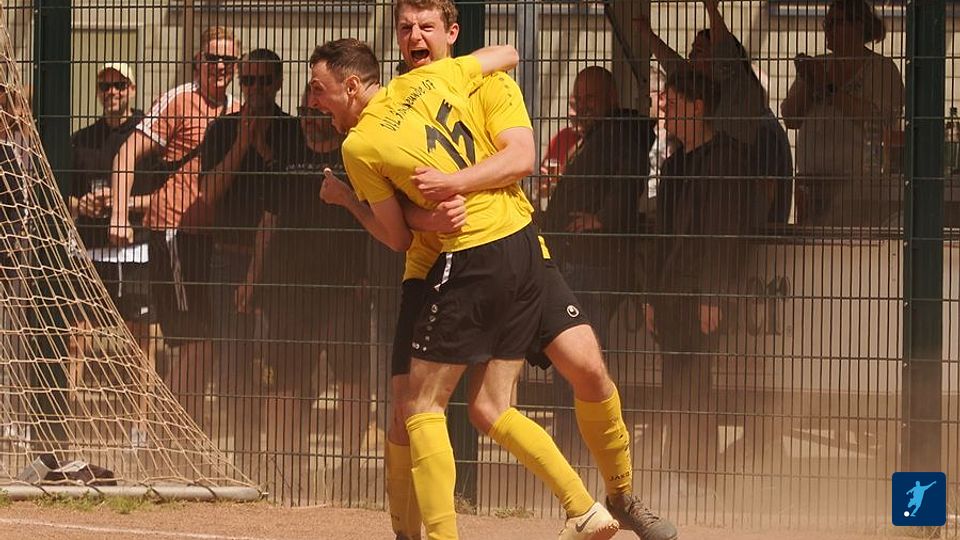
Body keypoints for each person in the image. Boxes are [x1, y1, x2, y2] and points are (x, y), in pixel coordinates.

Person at [325, 3, 676, 539]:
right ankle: (422, 529)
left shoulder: (484, 83)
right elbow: (403, 215)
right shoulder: (398, 99)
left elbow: (519, 159)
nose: (414, 36)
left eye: (426, 26)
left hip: (505, 247)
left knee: (586, 369)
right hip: (434, 265)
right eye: (405, 27)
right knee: (433, 409)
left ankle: (619, 498)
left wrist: (453, 185)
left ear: (452, 32)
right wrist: (423, 211)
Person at [106, 26, 239, 426]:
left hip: (215, 242)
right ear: (198, 62)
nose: (220, 66)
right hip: (174, 234)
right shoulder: (180, 100)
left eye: (228, 60)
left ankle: (185, 434)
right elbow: (127, 152)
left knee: (206, 344)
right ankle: (171, 436)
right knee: (195, 342)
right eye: (212, 58)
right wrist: (118, 215)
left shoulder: (237, 109)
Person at [645, 68, 766, 500]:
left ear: (698, 107)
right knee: (675, 382)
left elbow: (725, 235)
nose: (665, 111)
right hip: (672, 291)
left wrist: (713, 295)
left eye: (674, 103)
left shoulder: (728, 159)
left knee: (696, 383)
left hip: (702, 293)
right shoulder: (675, 164)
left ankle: (698, 476)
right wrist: (652, 297)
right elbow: (662, 236)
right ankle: (679, 471)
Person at [251, 85, 374, 503]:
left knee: (352, 380)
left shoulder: (354, 154)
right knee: (283, 381)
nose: (308, 119)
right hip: (288, 288)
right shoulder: (286, 155)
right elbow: (267, 221)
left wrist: (365, 275)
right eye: (304, 111)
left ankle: (349, 468)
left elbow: (373, 217)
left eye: (317, 112)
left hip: (345, 289)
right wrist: (252, 280)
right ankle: (283, 469)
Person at [197, 48, 291, 478]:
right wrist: (241, 144)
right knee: (233, 366)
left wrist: (264, 149)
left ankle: (280, 463)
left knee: (276, 367)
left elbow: (288, 195)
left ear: (277, 84)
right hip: (227, 260)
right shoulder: (221, 129)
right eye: (248, 81)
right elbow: (209, 193)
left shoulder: (291, 130)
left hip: (277, 266)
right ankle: (243, 459)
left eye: (263, 81)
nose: (255, 89)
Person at [636, 0, 793, 223]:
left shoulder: (743, 99)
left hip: (749, 225)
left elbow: (725, 58)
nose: (690, 58)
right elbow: (677, 68)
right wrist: (646, 34)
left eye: (698, 52)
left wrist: (712, 9)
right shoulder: (713, 97)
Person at [781, 0, 904, 226]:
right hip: (812, 186)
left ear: (858, 25)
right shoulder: (819, 65)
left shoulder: (882, 69)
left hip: (857, 189)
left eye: (835, 22)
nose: (827, 30)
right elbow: (790, 117)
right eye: (826, 24)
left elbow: (878, 117)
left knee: (848, 244)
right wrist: (809, 81)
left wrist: (829, 87)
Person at [68, 63, 153, 357]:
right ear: (97, 92)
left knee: (141, 338)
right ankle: (72, 388)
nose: (112, 92)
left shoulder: (148, 135)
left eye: (120, 85)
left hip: (136, 249)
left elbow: (165, 196)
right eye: (105, 86)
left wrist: (122, 203)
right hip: (90, 250)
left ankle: (143, 391)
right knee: (76, 334)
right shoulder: (81, 140)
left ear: (133, 89)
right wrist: (82, 204)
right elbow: (61, 193)